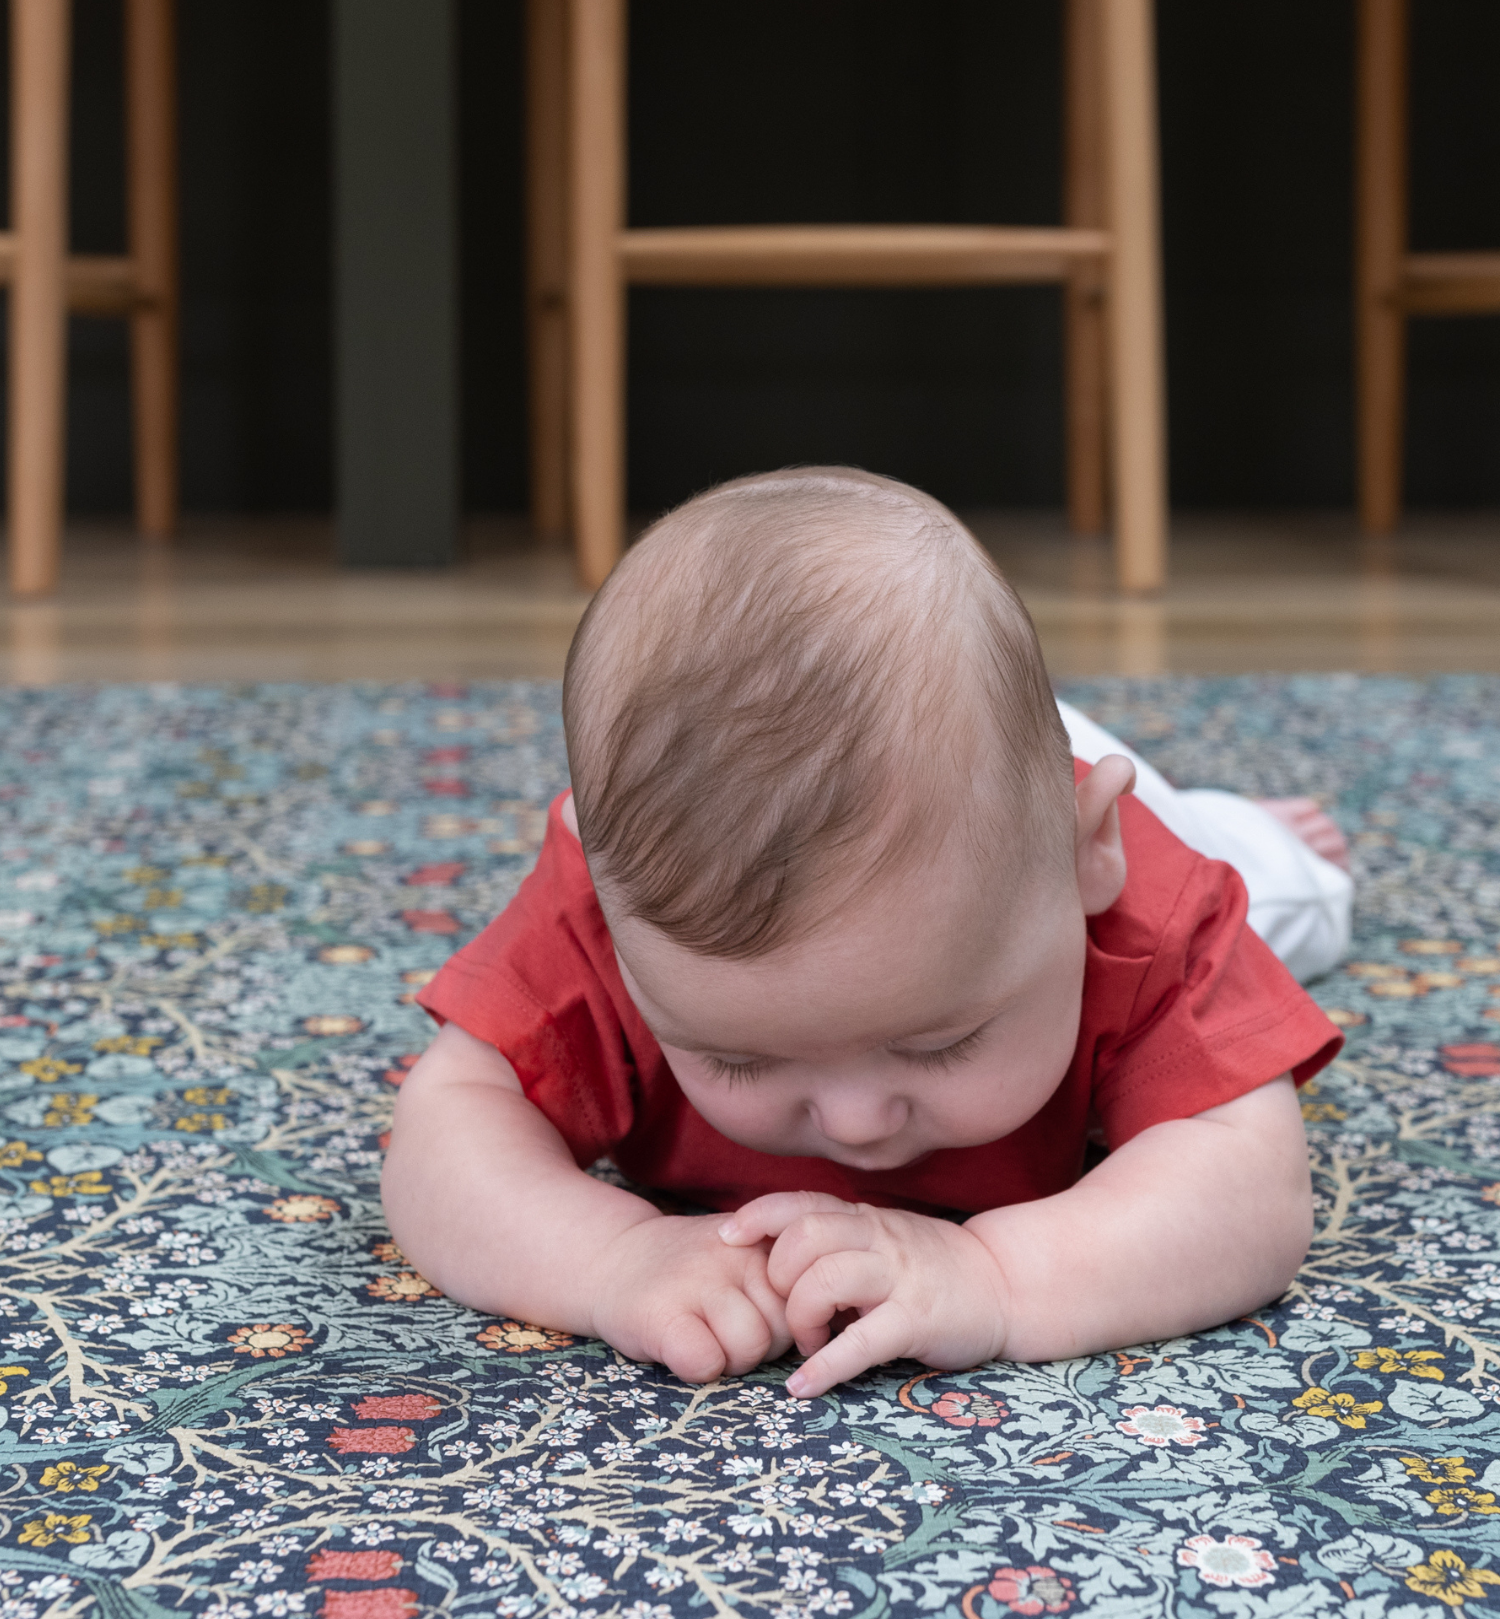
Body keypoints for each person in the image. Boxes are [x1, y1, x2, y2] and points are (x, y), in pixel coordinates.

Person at [382, 468, 1344, 1400]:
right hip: (971, 795)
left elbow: (1251, 1190)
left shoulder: (1129, 897)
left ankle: (1241, 826)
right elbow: (447, 1128)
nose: (855, 1124)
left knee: (1293, 901)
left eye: (939, 1041)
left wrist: (997, 1277)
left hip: (1085, 809)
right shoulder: (612, 913)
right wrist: (610, 1258)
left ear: (1085, 855)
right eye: (740, 1059)